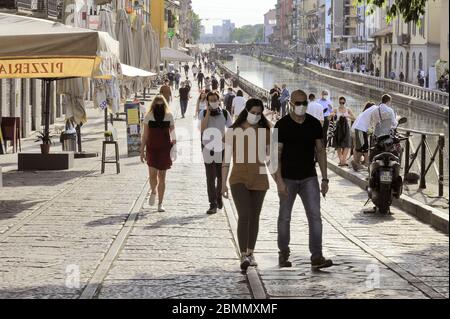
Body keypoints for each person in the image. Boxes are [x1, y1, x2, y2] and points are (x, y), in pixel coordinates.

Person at [274, 89, 332, 269]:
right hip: (288, 178)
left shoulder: (314, 124)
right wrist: (279, 182)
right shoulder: (281, 125)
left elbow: (320, 151)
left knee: (315, 217)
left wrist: (325, 178)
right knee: (284, 217)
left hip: (309, 177)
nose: (301, 106)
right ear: (291, 104)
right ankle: (283, 252)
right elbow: (276, 154)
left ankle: (317, 256)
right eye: (297, 103)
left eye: (304, 103)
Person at [222, 98, 273, 271]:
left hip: (259, 178)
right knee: (244, 215)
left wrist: (279, 182)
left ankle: (251, 252)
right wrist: (222, 184)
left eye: (259, 113)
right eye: (253, 113)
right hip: (238, 178)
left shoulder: (266, 131)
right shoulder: (233, 131)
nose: (256, 116)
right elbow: (226, 160)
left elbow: (270, 159)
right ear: (247, 110)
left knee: (255, 217)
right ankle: (243, 254)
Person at [140, 96, 176, 212]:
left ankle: (160, 203)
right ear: (154, 104)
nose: (159, 107)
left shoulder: (169, 116)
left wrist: (174, 149)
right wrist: (142, 151)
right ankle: (153, 190)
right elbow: (145, 135)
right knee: (152, 175)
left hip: (165, 148)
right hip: (152, 148)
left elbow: (173, 134)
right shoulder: (148, 116)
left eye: (161, 105)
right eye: (157, 104)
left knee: (162, 177)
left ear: (164, 105)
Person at [199, 91, 232, 215]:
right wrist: (207, 112)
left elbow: (232, 127)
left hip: (221, 148)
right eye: (210, 100)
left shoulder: (224, 113)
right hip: (207, 148)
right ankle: (212, 204)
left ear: (219, 100)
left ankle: (218, 197)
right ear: (207, 102)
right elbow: (202, 129)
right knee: (210, 177)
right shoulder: (202, 113)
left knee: (221, 175)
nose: (213, 102)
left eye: (215, 100)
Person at [351, 102, 377, 171]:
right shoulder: (376, 109)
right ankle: (365, 164)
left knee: (362, 148)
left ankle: (357, 163)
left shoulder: (369, 110)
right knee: (363, 147)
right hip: (361, 129)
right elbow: (375, 121)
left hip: (359, 129)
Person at [331, 96, 355, 166]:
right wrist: (332, 115)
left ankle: (343, 160)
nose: (342, 103)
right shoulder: (336, 109)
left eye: (343, 102)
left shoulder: (348, 109)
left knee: (347, 144)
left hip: (346, 127)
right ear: (339, 102)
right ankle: (341, 160)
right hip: (338, 128)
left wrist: (347, 116)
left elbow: (354, 118)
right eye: (340, 102)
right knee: (338, 145)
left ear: (345, 102)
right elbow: (330, 117)